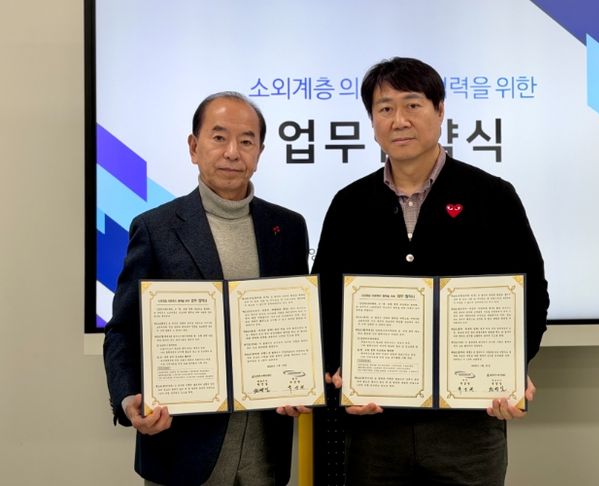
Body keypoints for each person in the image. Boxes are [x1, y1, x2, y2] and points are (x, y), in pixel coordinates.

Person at [312, 57, 550, 486]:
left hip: (469, 426)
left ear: (440, 111)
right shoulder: (349, 204)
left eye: (413, 105)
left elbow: (532, 293)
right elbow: (324, 299)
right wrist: (339, 372)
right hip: (375, 426)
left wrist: (513, 368)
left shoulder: (492, 196)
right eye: (385, 108)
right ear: (372, 121)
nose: (399, 120)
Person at [103, 91, 310, 486]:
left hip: (265, 451)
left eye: (246, 141)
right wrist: (129, 399)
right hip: (180, 449)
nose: (233, 152)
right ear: (194, 147)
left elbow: (299, 328)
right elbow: (123, 330)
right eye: (219, 137)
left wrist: (304, 381)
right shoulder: (155, 228)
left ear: (259, 153)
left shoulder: (288, 227)